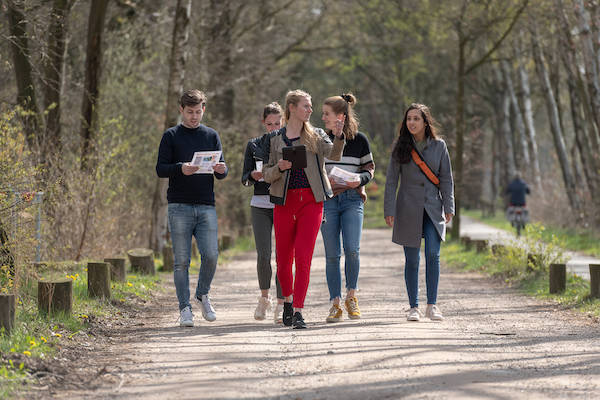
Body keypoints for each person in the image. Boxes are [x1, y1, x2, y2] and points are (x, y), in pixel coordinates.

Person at [263, 89, 345, 329]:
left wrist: (339, 136)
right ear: (292, 108)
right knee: (283, 259)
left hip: (312, 201)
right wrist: (279, 167)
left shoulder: (317, 134)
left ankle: (298, 309)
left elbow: (335, 155)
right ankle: (287, 300)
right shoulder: (275, 139)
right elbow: (267, 175)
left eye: (310, 106)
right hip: (284, 202)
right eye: (306, 106)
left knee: (304, 258)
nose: (310, 110)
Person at [156, 89, 228, 327]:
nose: (194, 117)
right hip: (179, 206)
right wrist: (180, 168)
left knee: (211, 255)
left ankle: (202, 294)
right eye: (189, 112)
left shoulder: (211, 135)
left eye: (198, 112)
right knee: (181, 261)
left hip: (206, 205)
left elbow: (223, 169)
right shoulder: (171, 136)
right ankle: (184, 308)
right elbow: (160, 168)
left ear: (203, 110)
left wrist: (221, 169)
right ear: (181, 110)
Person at [383, 103, 454, 322]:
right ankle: (413, 306)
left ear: (425, 122)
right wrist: (389, 209)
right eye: (409, 119)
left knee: (433, 255)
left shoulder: (439, 146)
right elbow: (391, 180)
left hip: (433, 208)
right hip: (407, 208)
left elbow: (446, 179)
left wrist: (449, 207)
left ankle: (432, 305)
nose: (412, 122)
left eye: (416, 118)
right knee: (412, 259)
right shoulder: (400, 146)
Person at [320, 93, 375, 323]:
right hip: (328, 202)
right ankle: (335, 303)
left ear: (340, 117)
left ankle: (352, 296)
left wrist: (358, 181)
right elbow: (315, 168)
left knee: (352, 249)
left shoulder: (360, 140)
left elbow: (369, 170)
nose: (322, 118)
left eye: (326, 114)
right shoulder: (321, 138)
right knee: (332, 255)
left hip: (352, 199)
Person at [241, 102, 285, 323]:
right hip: (259, 203)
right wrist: (252, 176)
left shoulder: (289, 143)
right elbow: (244, 178)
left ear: (284, 121)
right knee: (264, 254)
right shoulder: (254, 145)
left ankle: (281, 303)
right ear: (263, 123)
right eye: (270, 123)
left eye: (278, 123)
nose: (274, 127)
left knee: (283, 256)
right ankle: (264, 298)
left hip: (282, 203)